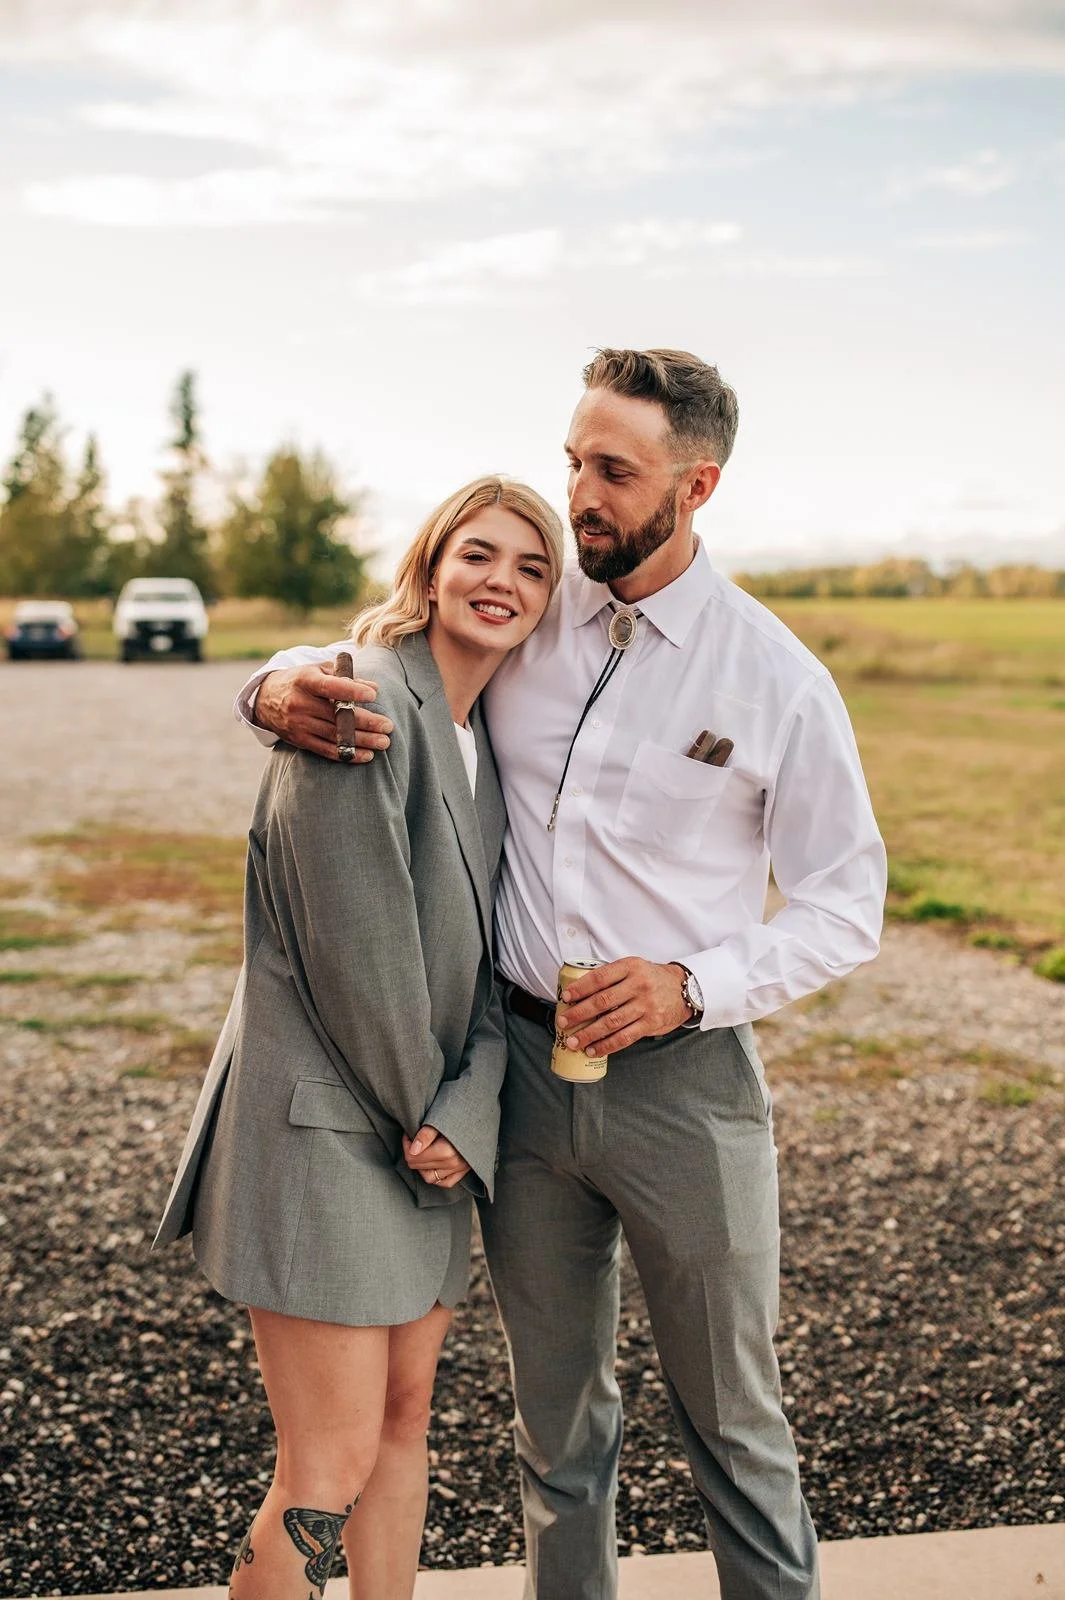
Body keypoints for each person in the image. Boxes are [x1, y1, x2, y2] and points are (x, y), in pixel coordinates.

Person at [237, 349, 887, 1600]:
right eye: (575, 460)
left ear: (696, 486)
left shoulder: (776, 680)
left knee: (737, 1427)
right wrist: (266, 690)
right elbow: (383, 660)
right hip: (523, 1086)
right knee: (559, 1431)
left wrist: (690, 983)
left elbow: (844, 906)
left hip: (686, 1087)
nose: (579, 495)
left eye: (613, 471)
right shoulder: (536, 618)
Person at [155, 474, 565, 1600]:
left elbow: (492, 965)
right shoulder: (357, 698)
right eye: (479, 554)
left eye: (533, 568)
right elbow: (356, 963)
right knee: (324, 1462)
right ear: (431, 567)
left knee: (401, 1425)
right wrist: (437, 1113)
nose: (504, 582)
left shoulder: (484, 744)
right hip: (329, 1128)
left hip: (424, 1132)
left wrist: (469, 1109)